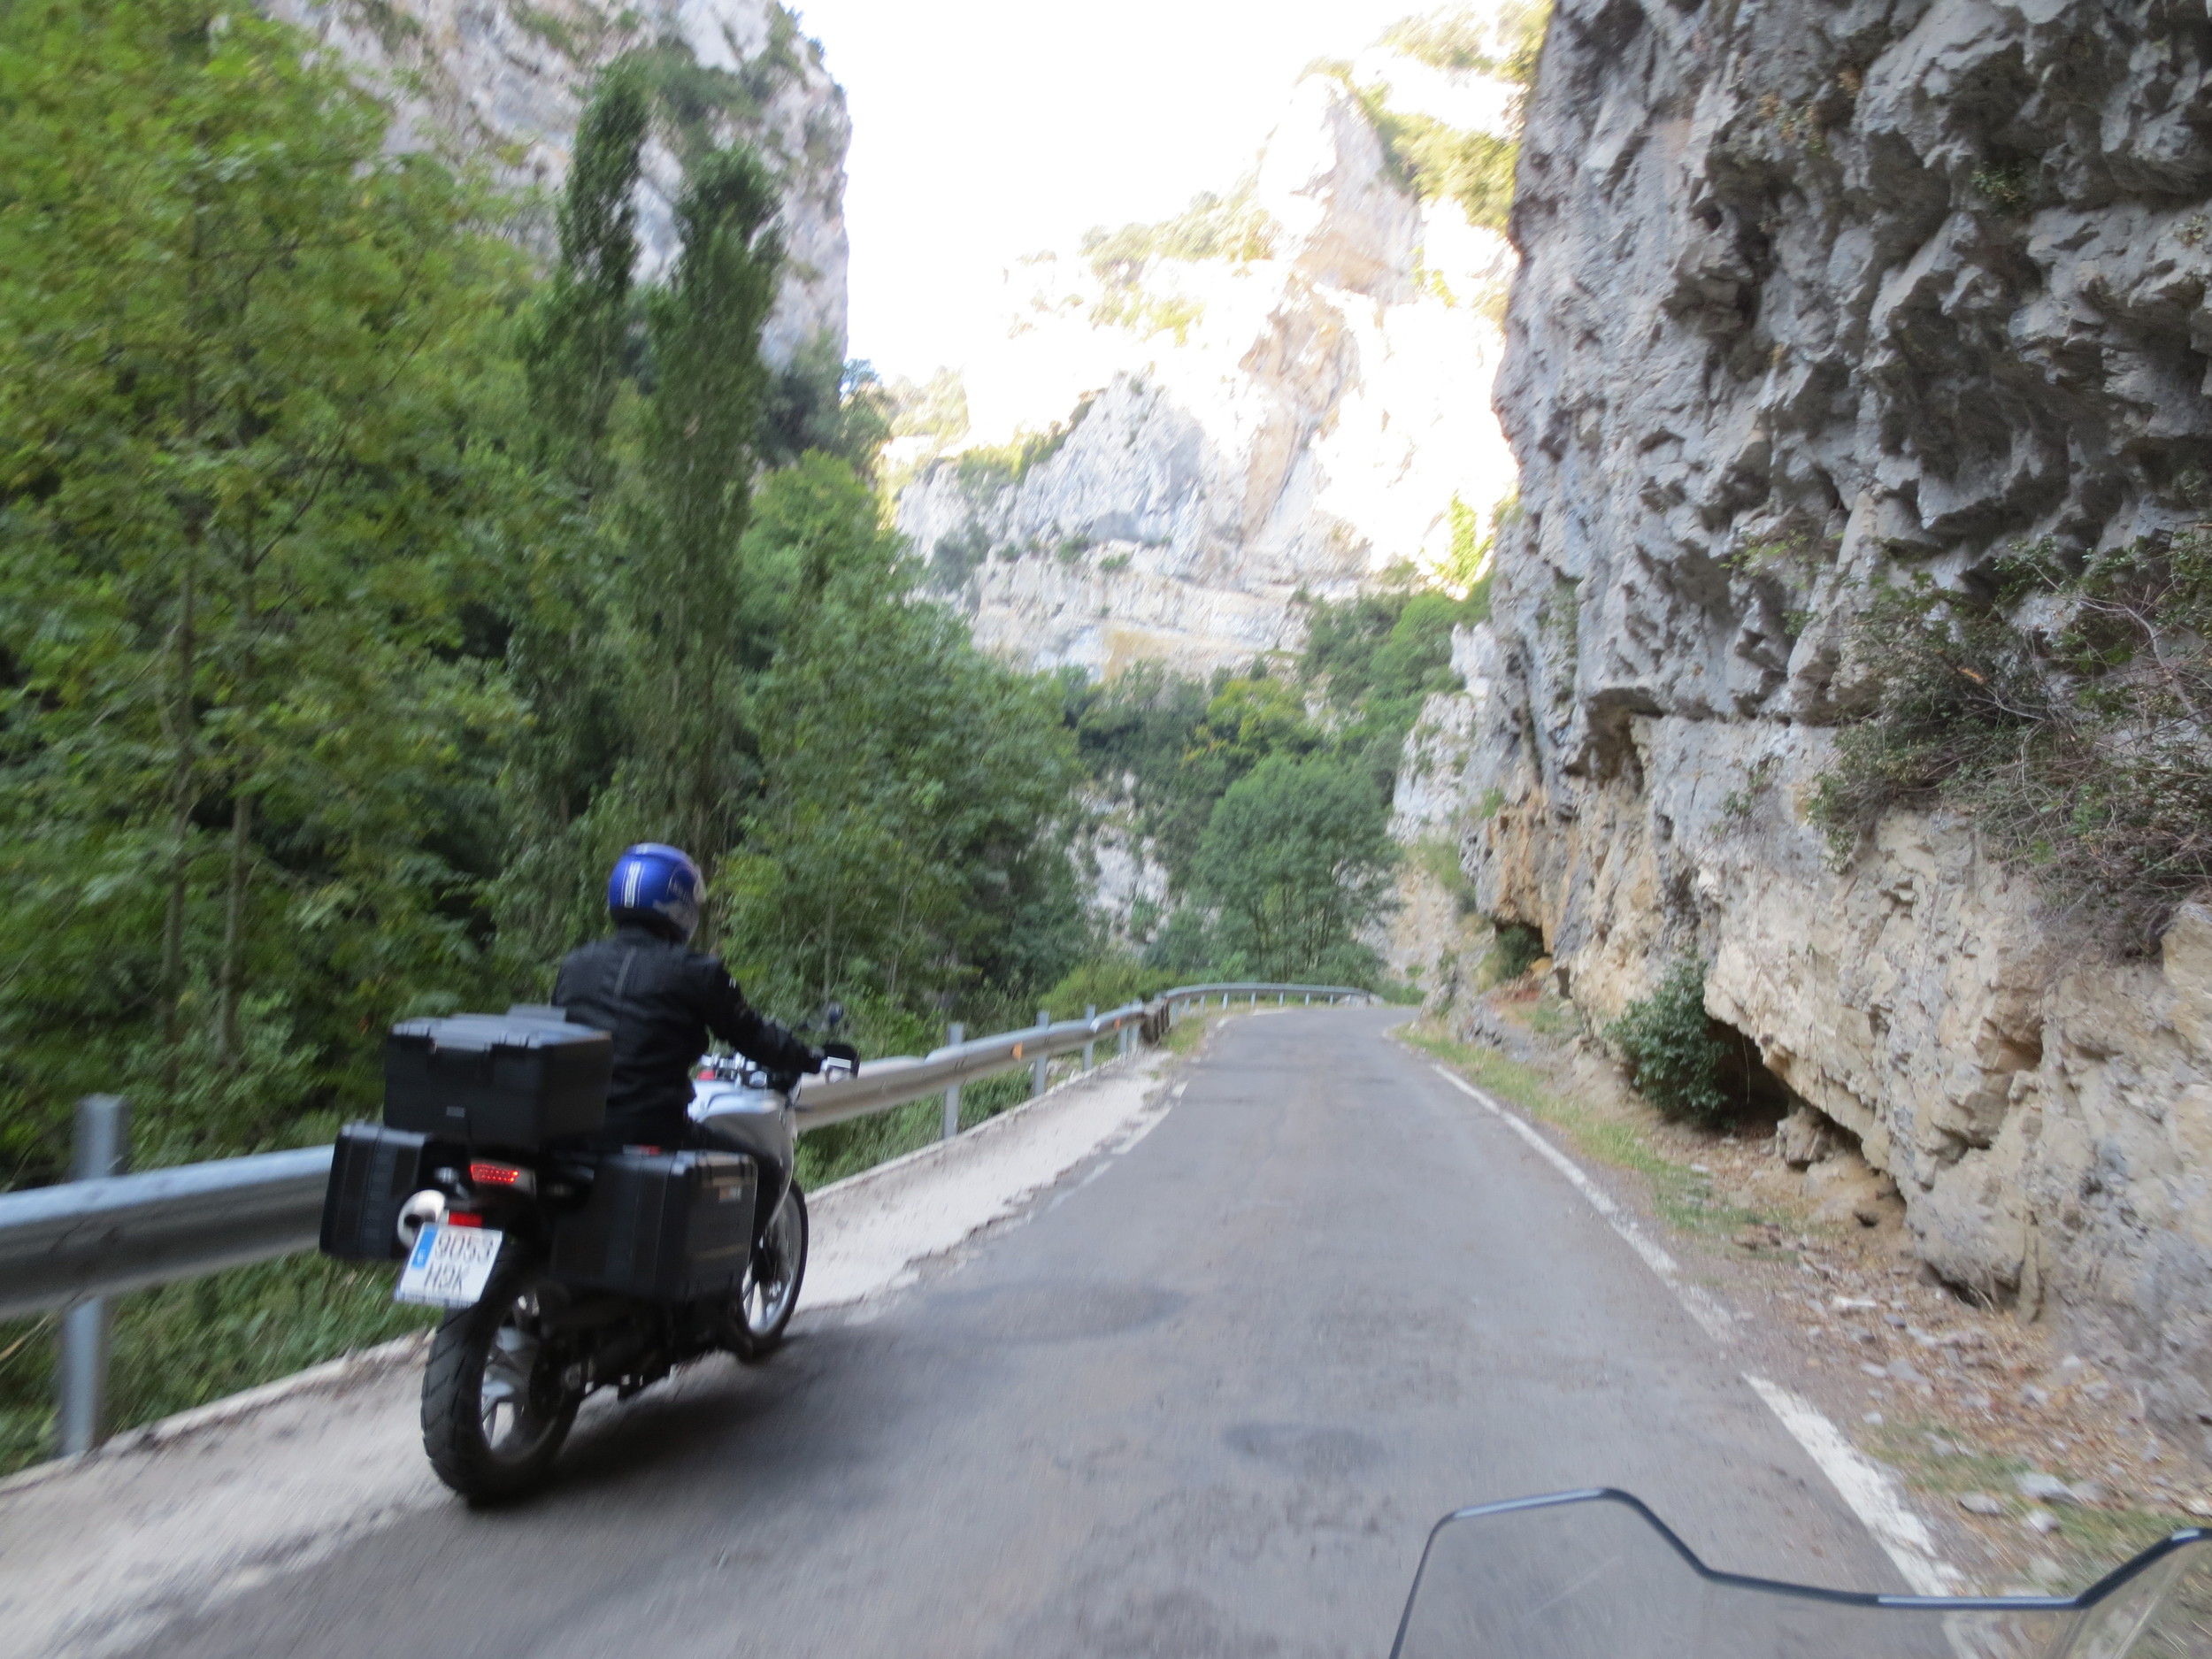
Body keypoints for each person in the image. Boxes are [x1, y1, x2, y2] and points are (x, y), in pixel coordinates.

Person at [554, 842, 821, 1149]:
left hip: (573, 1134)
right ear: (678, 901)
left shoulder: (576, 964)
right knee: (765, 1170)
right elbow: (754, 1037)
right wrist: (810, 1058)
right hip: (652, 1129)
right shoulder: (696, 972)